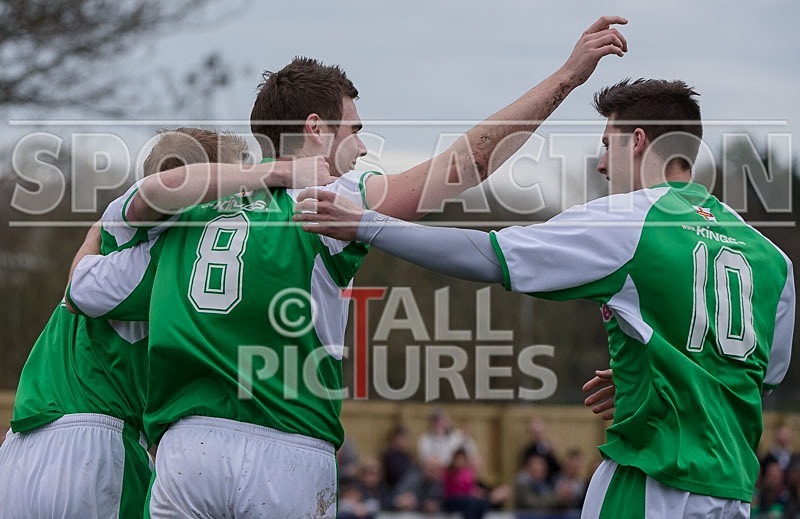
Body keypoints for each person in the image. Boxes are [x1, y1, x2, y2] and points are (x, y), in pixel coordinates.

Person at [67, 16, 627, 517]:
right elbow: (468, 163)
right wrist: (565, 79)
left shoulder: (192, 205)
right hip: (286, 445)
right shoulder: (333, 195)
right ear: (315, 129)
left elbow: (94, 276)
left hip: (184, 450)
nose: (361, 148)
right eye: (354, 130)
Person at [294, 79, 796, 518]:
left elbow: (488, 256)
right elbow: (760, 377)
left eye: (608, 144)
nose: (602, 164)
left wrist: (367, 224)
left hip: (653, 480)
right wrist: (658, 379)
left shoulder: (631, 219)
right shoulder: (772, 258)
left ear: (638, 141)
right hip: (732, 494)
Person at [0, 128, 330, 518]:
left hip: (23, 443)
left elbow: (79, 288)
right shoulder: (172, 253)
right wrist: (277, 173)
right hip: (101, 443)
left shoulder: (118, 238)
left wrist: (89, 241)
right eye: (232, 178)